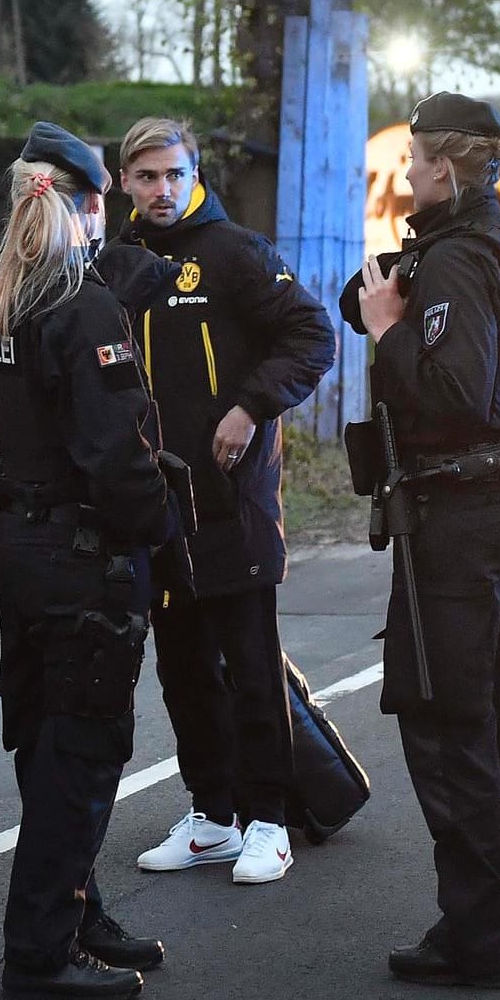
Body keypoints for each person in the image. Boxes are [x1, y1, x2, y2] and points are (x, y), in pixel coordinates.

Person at [341, 91, 500, 990]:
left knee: (446, 719)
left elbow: (452, 392)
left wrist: (390, 329)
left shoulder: (462, 256)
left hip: (461, 511)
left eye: (411, 159)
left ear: (443, 165)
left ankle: (477, 936)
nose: (403, 174)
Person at [0, 121, 173, 1000]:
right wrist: (157, 533)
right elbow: (114, 454)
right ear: (90, 205)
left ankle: (78, 913)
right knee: (81, 748)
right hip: (82, 552)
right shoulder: (80, 308)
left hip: (23, 544)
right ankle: (39, 950)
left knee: (45, 734)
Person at [114, 116, 336, 884]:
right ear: (124, 183)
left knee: (248, 667)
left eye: (173, 174)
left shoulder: (235, 253)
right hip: (154, 511)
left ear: (193, 173)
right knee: (180, 671)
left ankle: (268, 819)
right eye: (146, 177)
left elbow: (311, 335)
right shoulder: (116, 262)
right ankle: (211, 814)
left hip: (231, 505)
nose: (162, 190)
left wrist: (247, 409)